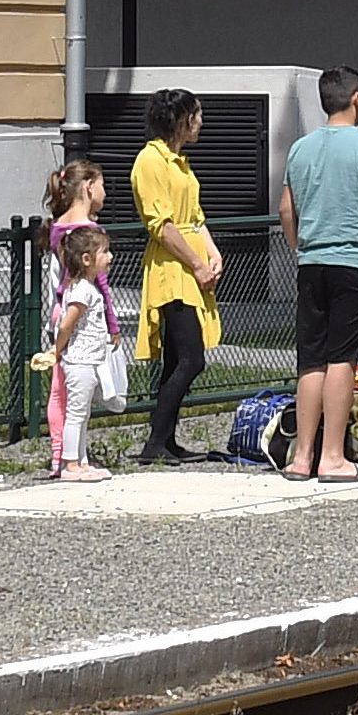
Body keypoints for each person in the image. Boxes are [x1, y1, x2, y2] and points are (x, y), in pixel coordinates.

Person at [275, 65, 358, 483]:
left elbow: (286, 210)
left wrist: (301, 246)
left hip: (312, 263)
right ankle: (333, 457)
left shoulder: (300, 149)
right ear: (356, 99)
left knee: (311, 359)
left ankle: (301, 456)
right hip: (356, 262)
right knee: (342, 358)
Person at [130, 89, 225, 463]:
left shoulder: (180, 163)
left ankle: (166, 441)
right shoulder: (150, 161)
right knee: (191, 357)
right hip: (172, 268)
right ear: (182, 118)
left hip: (188, 264)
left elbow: (194, 217)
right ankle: (155, 441)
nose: (200, 122)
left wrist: (211, 252)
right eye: (196, 115)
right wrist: (196, 263)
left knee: (176, 358)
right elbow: (161, 225)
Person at [30, 221, 122, 483]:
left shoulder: (89, 289)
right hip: (79, 361)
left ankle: (80, 460)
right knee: (76, 413)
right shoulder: (81, 291)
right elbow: (66, 323)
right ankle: (70, 463)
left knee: (83, 414)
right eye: (104, 252)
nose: (110, 257)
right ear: (86, 258)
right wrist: (57, 350)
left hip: (89, 361)